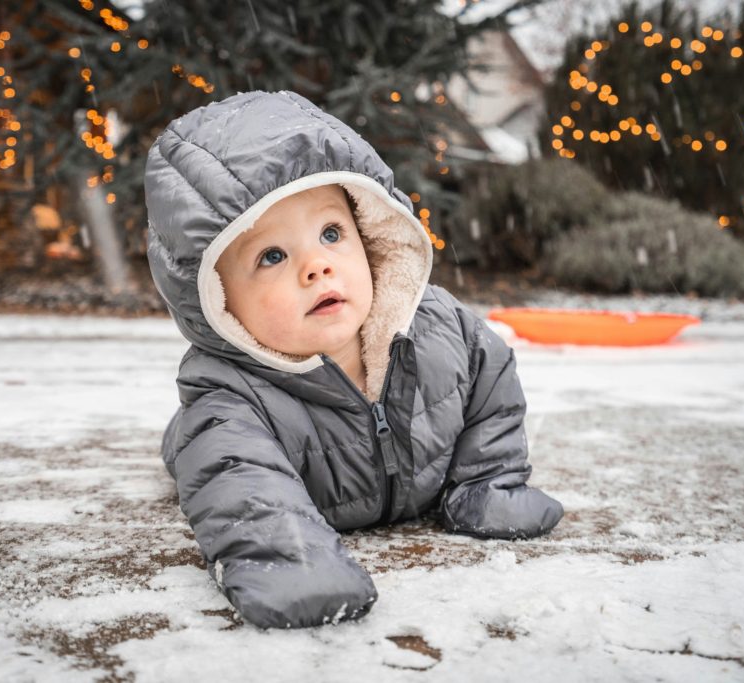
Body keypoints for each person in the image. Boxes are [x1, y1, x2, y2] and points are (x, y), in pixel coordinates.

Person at [144, 90, 563, 629]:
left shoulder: (443, 331)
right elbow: (243, 485)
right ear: (218, 300)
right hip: (233, 438)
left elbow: (491, 390)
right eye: (272, 256)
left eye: (331, 233)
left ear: (371, 234)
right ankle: (180, 439)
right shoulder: (230, 396)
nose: (317, 266)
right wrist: (291, 562)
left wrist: (488, 481)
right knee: (204, 442)